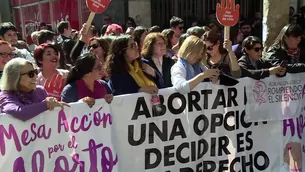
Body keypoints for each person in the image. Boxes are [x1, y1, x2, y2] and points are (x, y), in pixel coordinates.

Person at [0, 58, 69, 121]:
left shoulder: (40, 91)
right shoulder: (6, 96)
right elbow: (21, 113)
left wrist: (54, 103)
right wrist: (46, 104)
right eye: (30, 74)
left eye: (35, 72)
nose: (36, 77)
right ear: (15, 77)